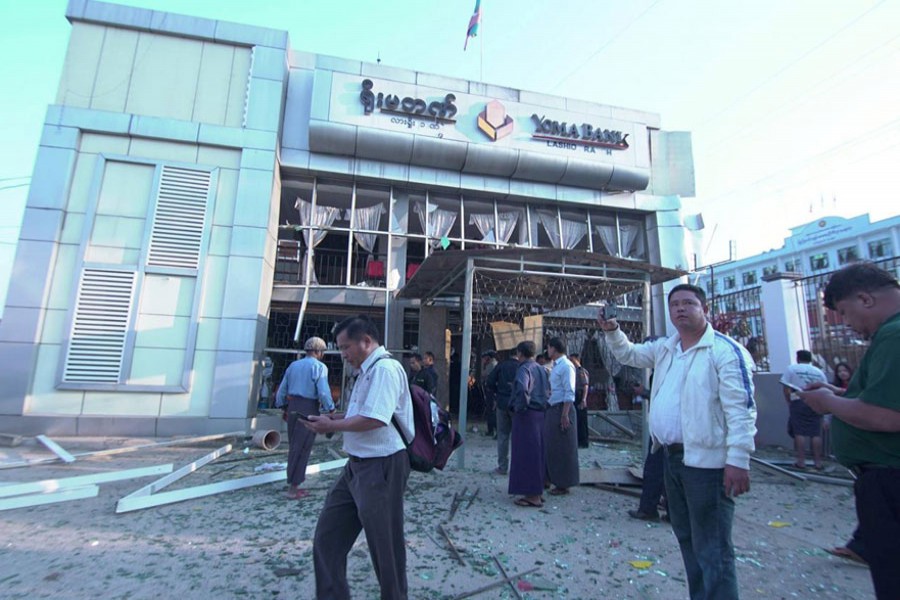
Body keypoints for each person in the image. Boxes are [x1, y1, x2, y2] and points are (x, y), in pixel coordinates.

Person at [598, 283, 757, 600]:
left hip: (707, 465)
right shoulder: (666, 349)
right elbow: (628, 354)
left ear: (705, 309)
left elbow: (741, 411)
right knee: (687, 538)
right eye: (675, 305)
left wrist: (738, 460)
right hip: (671, 459)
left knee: (713, 546)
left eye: (689, 303)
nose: (681, 309)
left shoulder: (725, 352)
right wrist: (612, 329)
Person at [800, 263, 900, 599]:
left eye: (844, 312)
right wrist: (842, 396)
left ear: (865, 299)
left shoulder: (894, 334)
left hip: (890, 479)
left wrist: (828, 401)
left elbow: (887, 415)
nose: (847, 324)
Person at [303, 315, 414, 600]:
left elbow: (375, 419)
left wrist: (332, 426)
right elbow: (362, 415)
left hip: (382, 465)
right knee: (327, 538)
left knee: (384, 547)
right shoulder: (366, 371)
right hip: (355, 465)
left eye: (345, 347)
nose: (342, 355)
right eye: (339, 348)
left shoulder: (385, 369)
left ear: (366, 341)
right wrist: (334, 418)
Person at [275, 337, 335, 500]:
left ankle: (293, 483)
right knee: (302, 448)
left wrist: (283, 406)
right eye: (322, 352)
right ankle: (293, 489)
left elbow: (282, 389)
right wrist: (330, 408)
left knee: (294, 445)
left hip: (292, 406)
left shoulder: (293, 366)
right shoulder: (319, 367)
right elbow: (323, 391)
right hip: (308, 408)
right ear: (318, 351)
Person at [509, 340, 550, 508]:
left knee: (526, 455)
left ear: (520, 353)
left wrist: (518, 407)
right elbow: (549, 391)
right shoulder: (542, 369)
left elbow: (521, 388)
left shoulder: (524, 369)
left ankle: (532, 495)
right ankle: (537, 491)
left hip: (527, 414)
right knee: (538, 454)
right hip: (540, 415)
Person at [780, 350, 827, 470]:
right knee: (815, 433)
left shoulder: (792, 369)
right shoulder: (818, 372)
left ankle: (801, 461)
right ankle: (818, 462)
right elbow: (825, 389)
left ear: (798, 358)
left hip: (799, 400)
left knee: (799, 432)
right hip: (816, 401)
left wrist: (789, 402)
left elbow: (786, 388)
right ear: (810, 359)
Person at [544, 338, 580, 495]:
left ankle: (563, 483)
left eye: (549, 348)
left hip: (562, 409)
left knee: (563, 448)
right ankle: (551, 478)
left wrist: (565, 415)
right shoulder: (556, 366)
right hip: (553, 408)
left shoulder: (566, 366)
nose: (547, 350)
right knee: (552, 446)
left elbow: (569, 392)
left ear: (554, 348)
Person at [628, 383, 668, 522]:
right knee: (665, 472)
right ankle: (670, 510)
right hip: (664, 427)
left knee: (655, 470)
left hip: (665, 429)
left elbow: (665, 396)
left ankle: (649, 509)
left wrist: (644, 392)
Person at [485, 350, 519, 475]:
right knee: (518, 436)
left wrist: (497, 393)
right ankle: (517, 467)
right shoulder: (521, 366)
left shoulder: (501, 366)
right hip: (517, 405)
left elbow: (489, 382)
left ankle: (502, 466)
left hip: (502, 403)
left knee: (503, 436)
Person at [570, 353, 590, 449]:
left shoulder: (581, 371)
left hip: (580, 395)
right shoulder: (572, 371)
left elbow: (585, 385)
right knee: (576, 418)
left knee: (582, 419)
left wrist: (583, 399)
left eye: (573, 360)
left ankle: (583, 441)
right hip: (574, 395)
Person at [481, 351, 498, 437]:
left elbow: (484, 374)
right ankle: (491, 429)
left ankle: (493, 429)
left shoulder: (492, 365)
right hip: (490, 390)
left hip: (491, 391)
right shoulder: (492, 364)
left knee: (491, 410)